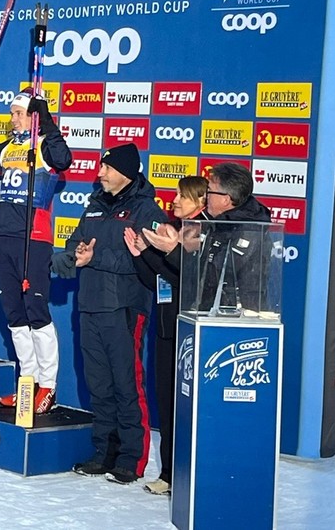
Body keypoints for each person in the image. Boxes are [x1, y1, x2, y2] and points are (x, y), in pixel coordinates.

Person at [51, 142, 166, 485]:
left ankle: (132, 458)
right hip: (88, 305)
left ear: (125, 172)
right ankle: (104, 452)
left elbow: (148, 263)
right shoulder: (94, 207)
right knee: (98, 385)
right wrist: (70, 257)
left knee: (126, 384)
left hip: (124, 308)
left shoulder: (147, 211)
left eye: (106, 168)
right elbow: (75, 246)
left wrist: (95, 258)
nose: (98, 173)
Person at [0, 88, 72, 413]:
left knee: (36, 312)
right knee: (15, 315)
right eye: (11, 113)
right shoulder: (11, 146)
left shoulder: (44, 144)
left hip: (33, 237)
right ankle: (28, 383)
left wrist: (46, 120)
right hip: (4, 235)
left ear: (32, 115)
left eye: (18, 113)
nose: (12, 119)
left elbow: (64, 160)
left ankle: (48, 386)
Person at [123, 176, 209, 496]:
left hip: (193, 334)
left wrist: (168, 248)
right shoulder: (172, 229)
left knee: (190, 409)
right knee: (168, 404)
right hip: (166, 329)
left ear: (200, 201)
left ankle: (191, 474)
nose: (173, 200)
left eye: (181, 197)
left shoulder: (205, 233)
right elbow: (157, 279)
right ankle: (170, 473)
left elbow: (191, 277)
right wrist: (140, 253)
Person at [148, 162, 272, 316]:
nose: (206, 198)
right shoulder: (217, 223)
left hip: (236, 319)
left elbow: (216, 274)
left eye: (210, 192)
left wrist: (173, 250)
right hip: (211, 313)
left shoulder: (249, 229)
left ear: (226, 199)